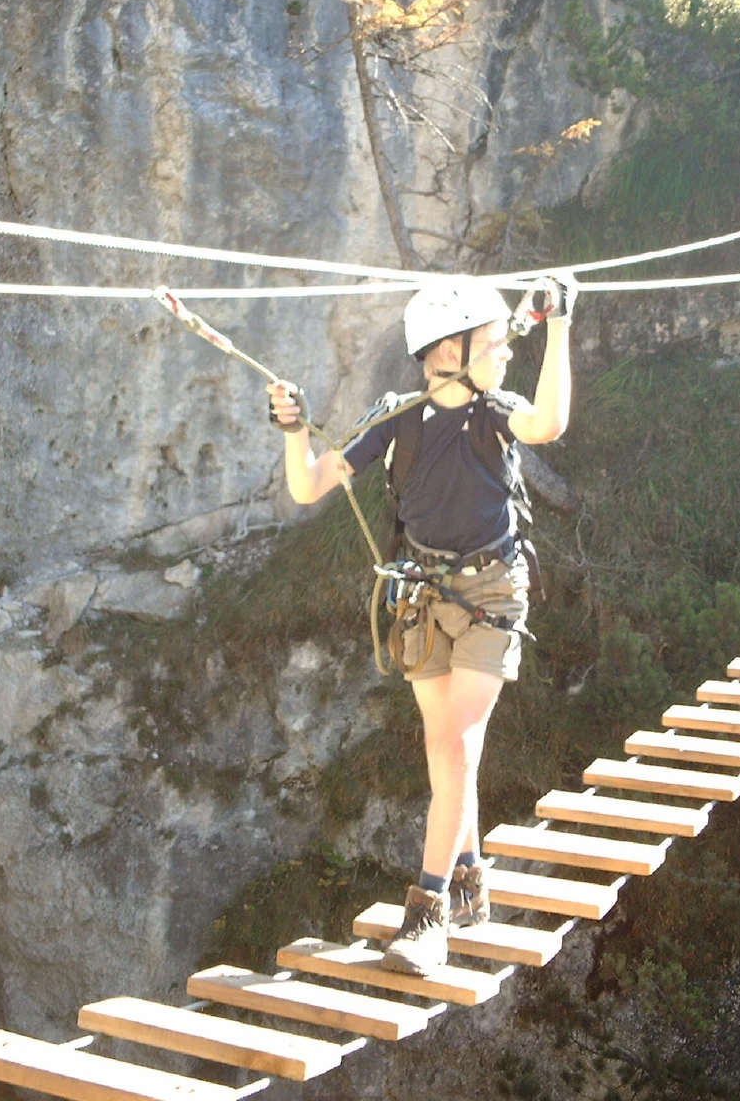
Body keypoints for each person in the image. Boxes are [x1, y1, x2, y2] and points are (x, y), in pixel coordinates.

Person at [265, 274, 575, 977]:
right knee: (447, 753)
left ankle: (427, 914)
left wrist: (558, 326)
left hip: (492, 592)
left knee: (455, 745)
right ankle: (469, 880)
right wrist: (294, 432)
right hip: (425, 598)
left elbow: (549, 424)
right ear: (449, 351)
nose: (506, 351)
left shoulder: (497, 412)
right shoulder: (396, 417)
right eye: (494, 341)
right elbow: (308, 485)